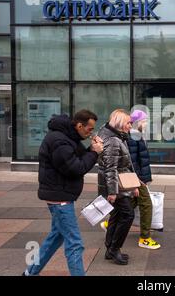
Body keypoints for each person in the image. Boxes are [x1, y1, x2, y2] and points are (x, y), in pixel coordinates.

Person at [23, 110, 103, 276]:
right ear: (79, 125)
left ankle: (30, 272)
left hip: (59, 194)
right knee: (75, 243)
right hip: (59, 197)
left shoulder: (67, 137)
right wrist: (94, 152)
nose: (91, 132)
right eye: (89, 129)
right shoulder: (60, 141)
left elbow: (78, 158)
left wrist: (92, 149)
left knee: (56, 238)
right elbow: (76, 168)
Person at [100, 110, 161, 250]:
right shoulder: (133, 136)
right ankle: (144, 238)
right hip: (135, 177)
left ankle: (110, 224)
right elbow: (133, 161)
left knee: (131, 202)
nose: (146, 123)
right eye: (144, 120)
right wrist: (140, 180)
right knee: (146, 204)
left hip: (134, 177)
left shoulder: (133, 135)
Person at [97, 109, 138, 265]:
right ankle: (114, 249)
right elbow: (111, 168)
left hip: (118, 184)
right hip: (115, 186)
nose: (130, 125)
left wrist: (134, 185)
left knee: (116, 215)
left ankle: (110, 249)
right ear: (120, 123)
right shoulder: (113, 140)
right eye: (129, 122)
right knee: (127, 215)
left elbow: (127, 165)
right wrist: (113, 192)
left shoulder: (115, 135)